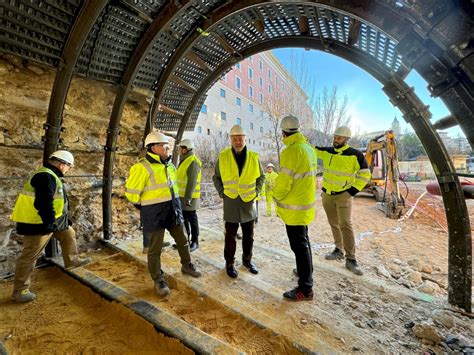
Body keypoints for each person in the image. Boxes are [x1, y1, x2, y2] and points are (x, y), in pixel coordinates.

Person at [125, 132, 201, 297]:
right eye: (165, 146)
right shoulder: (142, 168)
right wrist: (146, 208)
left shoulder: (170, 166)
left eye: (168, 146)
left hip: (173, 211)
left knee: (183, 240)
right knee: (155, 250)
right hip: (155, 214)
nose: (168, 149)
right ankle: (158, 280)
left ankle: (187, 265)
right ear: (153, 147)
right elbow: (131, 195)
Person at [10, 150, 91, 303]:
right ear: (62, 164)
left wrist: (63, 221)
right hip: (37, 224)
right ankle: (20, 291)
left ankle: (71, 260)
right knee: (30, 255)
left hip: (49, 221)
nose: (69, 170)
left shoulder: (49, 175)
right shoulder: (45, 176)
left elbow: (55, 202)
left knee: (68, 233)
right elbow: (43, 203)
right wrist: (49, 224)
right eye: (69, 167)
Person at [315, 126, 371, 276]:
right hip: (327, 195)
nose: (335, 140)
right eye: (334, 137)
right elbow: (311, 149)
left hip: (343, 195)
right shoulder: (327, 151)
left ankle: (351, 259)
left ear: (346, 139)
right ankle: (338, 250)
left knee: (345, 224)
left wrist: (351, 191)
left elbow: (365, 174)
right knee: (333, 224)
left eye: (339, 138)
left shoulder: (356, 155)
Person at [273, 116, 317, 301]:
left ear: (283, 132)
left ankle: (305, 288)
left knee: (299, 246)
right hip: (305, 207)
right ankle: (304, 271)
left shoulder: (291, 151)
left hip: (294, 210)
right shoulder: (308, 149)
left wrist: (275, 196)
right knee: (304, 243)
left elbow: (283, 182)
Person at [212, 125, 265, 278]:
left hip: (248, 202)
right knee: (230, 236)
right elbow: (216, 177)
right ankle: (229, 263)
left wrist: (256, 191)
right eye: (235, 138)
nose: (238, 141)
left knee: (249, 236)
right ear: (231, 140)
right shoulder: (223, 156)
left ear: (245, 139)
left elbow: (261, 177)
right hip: (231, 202)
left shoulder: (254, 157)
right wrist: (222, 193)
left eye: (240, 138)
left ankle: (247, 261)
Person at [176, 138, 201, 252]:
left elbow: (192, 182)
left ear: (186, 149)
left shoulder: (193, 161)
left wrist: (188, 198)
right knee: (184, 219)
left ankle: (195, 241)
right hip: (182, 196)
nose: (179, 150)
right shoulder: (184, 160)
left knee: (192, 218)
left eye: (180, 148)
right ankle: (186, 240)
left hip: (189, 197)